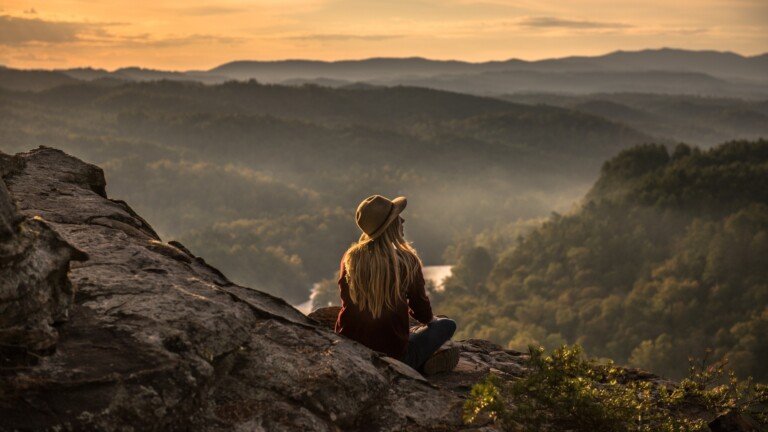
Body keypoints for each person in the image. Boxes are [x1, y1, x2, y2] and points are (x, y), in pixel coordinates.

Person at [334, 194, 459, 375]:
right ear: (390, 226)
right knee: (447, 324)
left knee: (411, 329)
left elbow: (346, 299)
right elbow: (421, 310)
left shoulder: (351, 259)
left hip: (350, 348)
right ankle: (420, 365)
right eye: (397, 217)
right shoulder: (406, 261)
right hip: (393, 356)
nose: (403, 220)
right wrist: (431, 321)